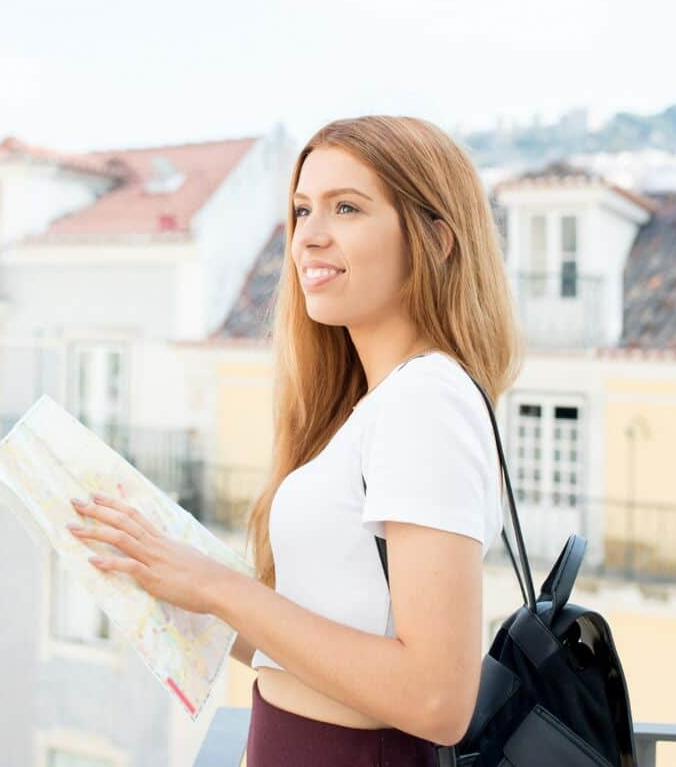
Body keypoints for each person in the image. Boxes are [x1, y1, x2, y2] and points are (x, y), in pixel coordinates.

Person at [66, 115, 522, 765]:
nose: (309, 235)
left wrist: (222, 587)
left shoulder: (427, 399)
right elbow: (316, 646)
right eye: (302, 209)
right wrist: (164, 574)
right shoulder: (373, 406)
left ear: (438, 240)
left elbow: (437, 699)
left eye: (347, 207)